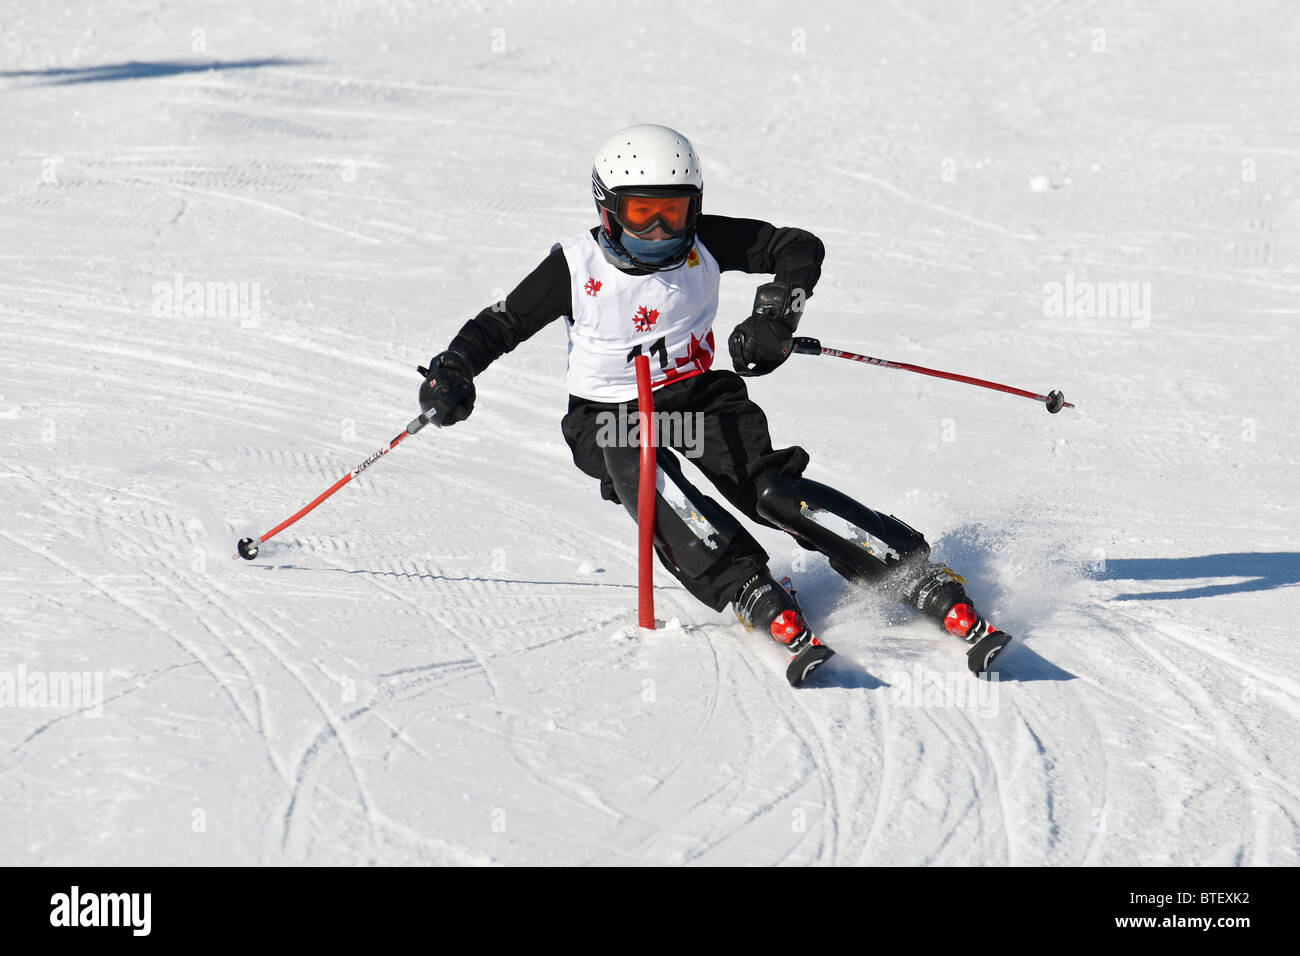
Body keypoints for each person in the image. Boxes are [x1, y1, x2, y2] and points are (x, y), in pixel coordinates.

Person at [418, 124, 1012, 685]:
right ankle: (745, 584)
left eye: (672, 212)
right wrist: (453, 371)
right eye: (640, 213)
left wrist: (776, 315)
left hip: (698, 399)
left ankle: (901, 564)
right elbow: (501, 324)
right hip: (608, 416)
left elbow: (797, 247)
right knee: (637, 459)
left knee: (773, 493)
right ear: (606, 209)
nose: (658, 231)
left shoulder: (705, 242)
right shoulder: (575, 266)